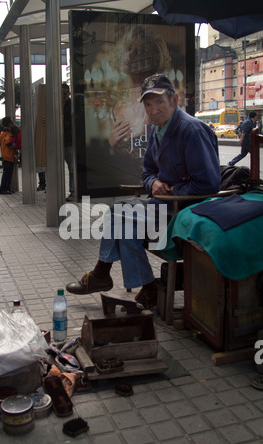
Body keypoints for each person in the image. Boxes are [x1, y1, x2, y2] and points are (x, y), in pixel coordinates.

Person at [66, 73, 220, 308]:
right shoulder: (158, 130)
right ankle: (145, 287)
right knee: (122, 219)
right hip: (163, 206)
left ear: (174, 101)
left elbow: (209, 183)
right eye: (148, 104)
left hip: (185, 210)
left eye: (159, 102)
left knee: (119, 216)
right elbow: (147, 172)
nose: (153, 109)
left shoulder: (191, 130)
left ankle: (103, 274)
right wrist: (153, 184)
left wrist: (174, 190)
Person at [62, 83, 74, 201]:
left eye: (64, 94)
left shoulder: (71, 106)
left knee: (72, 167)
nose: (63, 96)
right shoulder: (54, 105)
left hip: (69, 140)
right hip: (58, 141)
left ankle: (73, 191)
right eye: (61, 94)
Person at [0, 116, 17, 195]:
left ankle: (6, 188)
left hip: (6, 155)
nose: (13, 123)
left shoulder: (3, 132)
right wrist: (15, 146)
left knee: (7, 173)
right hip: (8, 156)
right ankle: (4, 189)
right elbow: (8, 143)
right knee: (7, 174)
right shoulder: (7, 133)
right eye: (12, 122)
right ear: (9, 123)